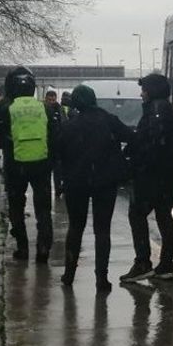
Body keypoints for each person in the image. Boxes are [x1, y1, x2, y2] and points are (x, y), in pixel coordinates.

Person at [55, 84, 133, 293]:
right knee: (102, 229)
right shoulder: (108, 120)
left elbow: (57, 151)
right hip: (105, 182)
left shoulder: (69, 125)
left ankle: (69, 274)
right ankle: (102, 278)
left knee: (75, 227)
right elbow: (131, 137)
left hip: (76, 183)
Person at [120, 73, 173, 282]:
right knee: (164, 217)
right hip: (166, 176)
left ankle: (143, 262)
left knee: (137, 215)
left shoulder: (156, 112)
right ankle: (165, 264)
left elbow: (149, 144)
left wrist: (133, 162)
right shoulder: (168, 110)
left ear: (152, 91)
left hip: (151, 176)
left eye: (144, 90)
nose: (141, 94)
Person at [0, 67, 58, 262]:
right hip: (41, 164)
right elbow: (53, 134)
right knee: (43, 208)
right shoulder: (44, 107)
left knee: (16, 206)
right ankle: (44, 247)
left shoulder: (3, 107)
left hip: (15, 163)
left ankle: (22, 248)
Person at [44, 90, 66, 198]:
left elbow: (64, 123)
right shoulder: (43, 109)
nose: (52, 102)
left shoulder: (60, 109)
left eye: (53, 100)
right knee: (46, 172)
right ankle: (47, 190)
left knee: (58, 171)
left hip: (58, 145)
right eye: (49, 100)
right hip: (46, 145)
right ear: (46, 99)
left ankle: (58, 190)